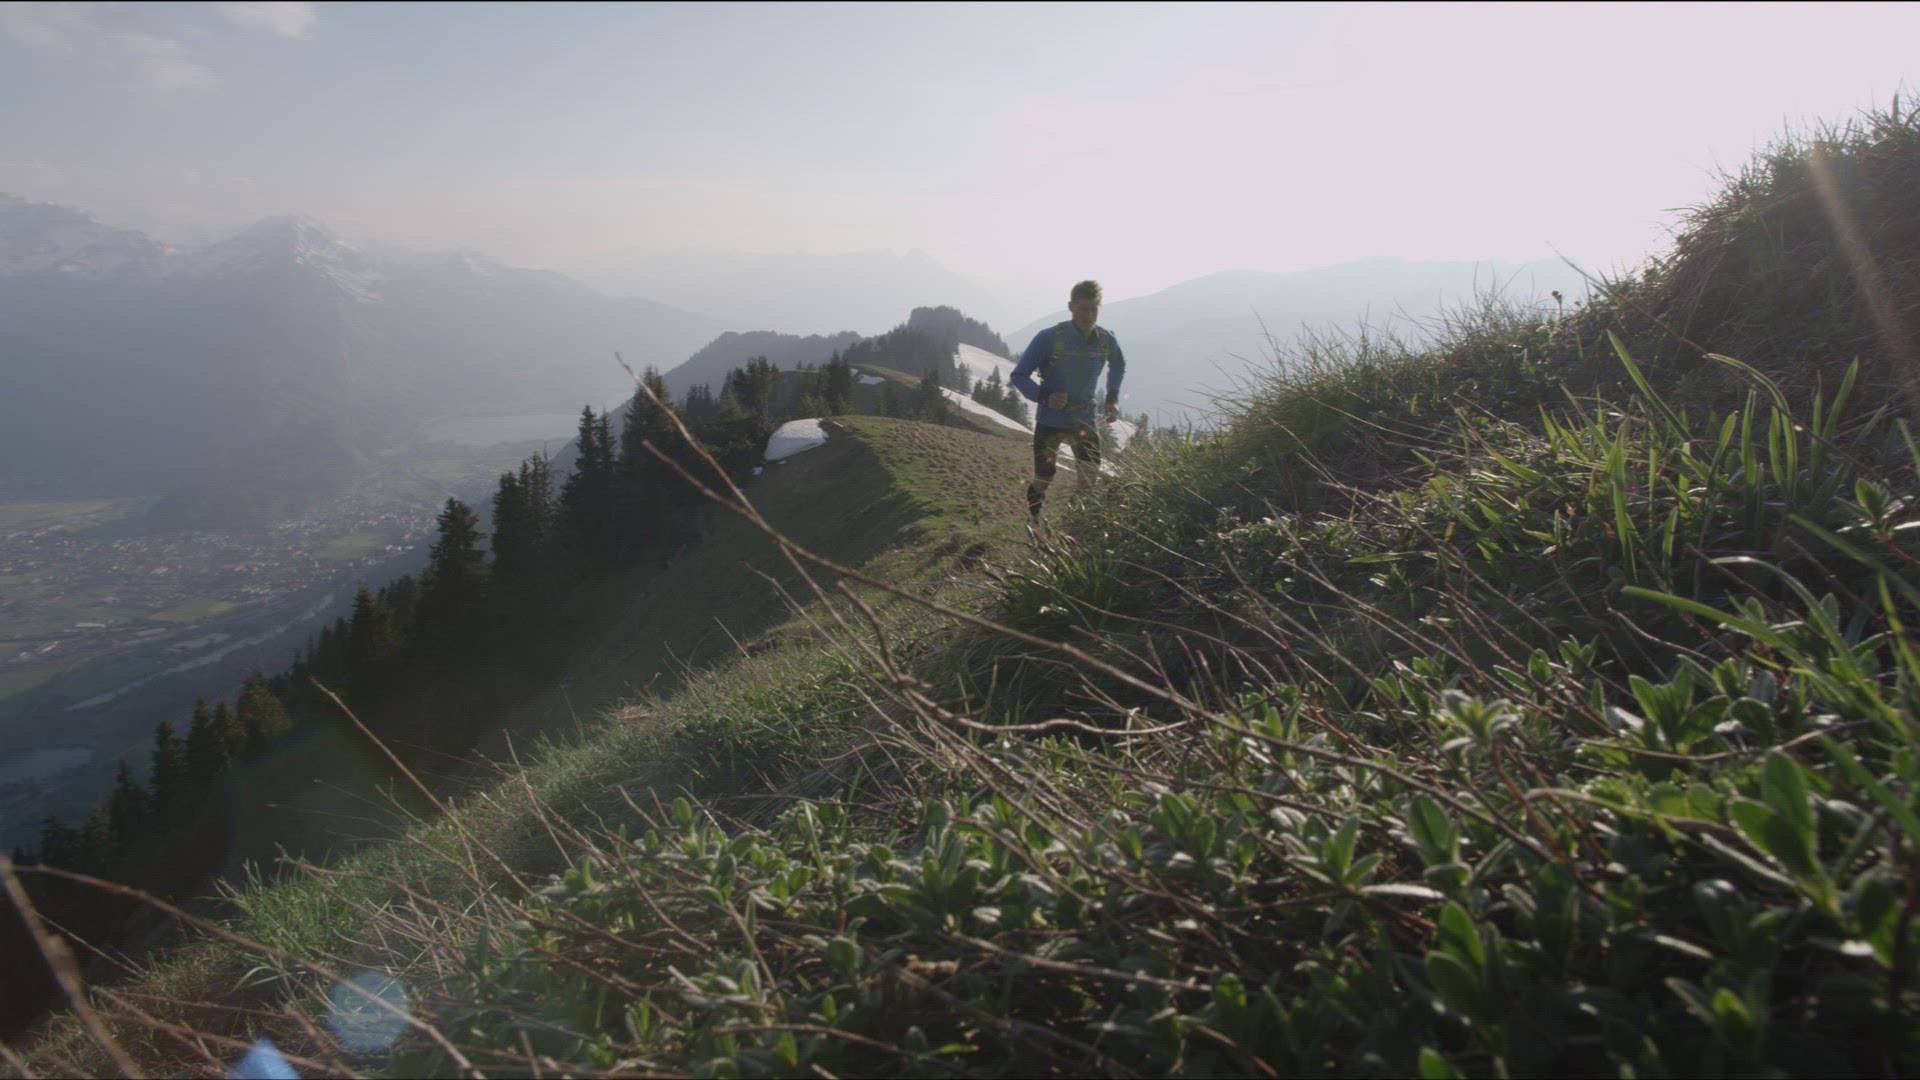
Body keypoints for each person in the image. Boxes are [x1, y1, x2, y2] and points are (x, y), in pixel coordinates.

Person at [1010, 279, 1126, 519]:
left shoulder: (1106, 339)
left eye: (1093, 309)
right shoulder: (1048, 338)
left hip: (1084, 420)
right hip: (1050, 421)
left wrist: (1112, 398)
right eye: (1083, 309)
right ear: (1071, 306)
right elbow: (1019, 375)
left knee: (1089, 479)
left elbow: (1118, 364)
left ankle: (1075, 526)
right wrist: (1044, 397)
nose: (1088, 315)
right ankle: (1035, 523)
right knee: (1044, 479)